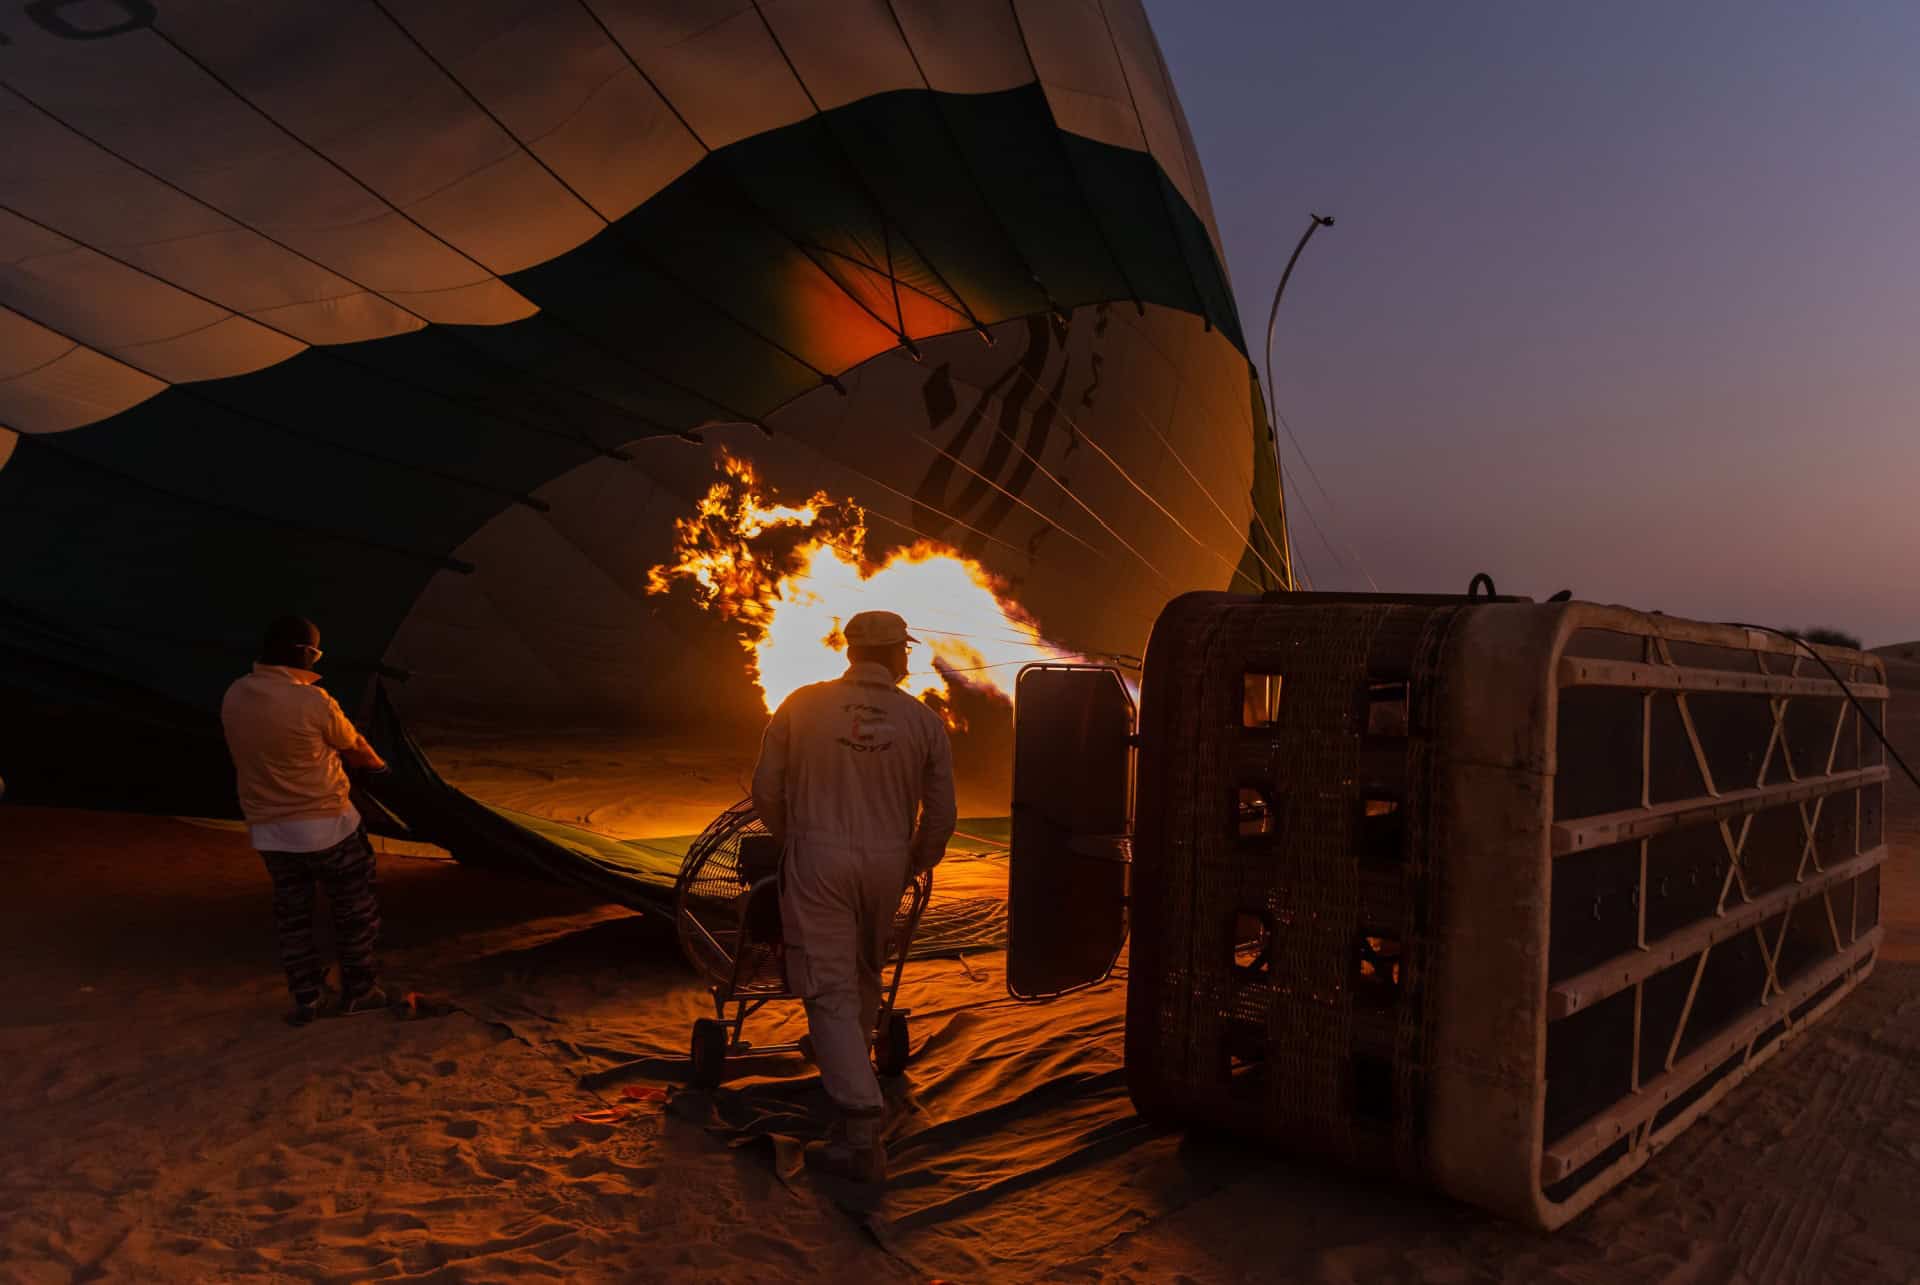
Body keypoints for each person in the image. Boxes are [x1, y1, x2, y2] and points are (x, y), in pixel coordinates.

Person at [750, 609, 956, 1183]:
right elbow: (942, 814)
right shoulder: (923, 721)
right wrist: (917, 859)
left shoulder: (800, 704)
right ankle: (851, 1068)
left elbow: (765, 788)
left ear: (849, 652)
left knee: (828, 981)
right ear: (894, 656)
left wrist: (793, 840)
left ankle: (861, 1126)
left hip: (819, 855)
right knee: (867, 968)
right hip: (888, 860)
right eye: (905, 652)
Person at [220, 616, 390, 1025]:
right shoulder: (314, 702)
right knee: (354, 909)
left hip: (270, 831)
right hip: (328, 825)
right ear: (306, 655)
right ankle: (359, 991)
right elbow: (357, 747)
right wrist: (382, 769)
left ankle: (307, 998)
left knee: (292, 916)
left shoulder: (235, 694)